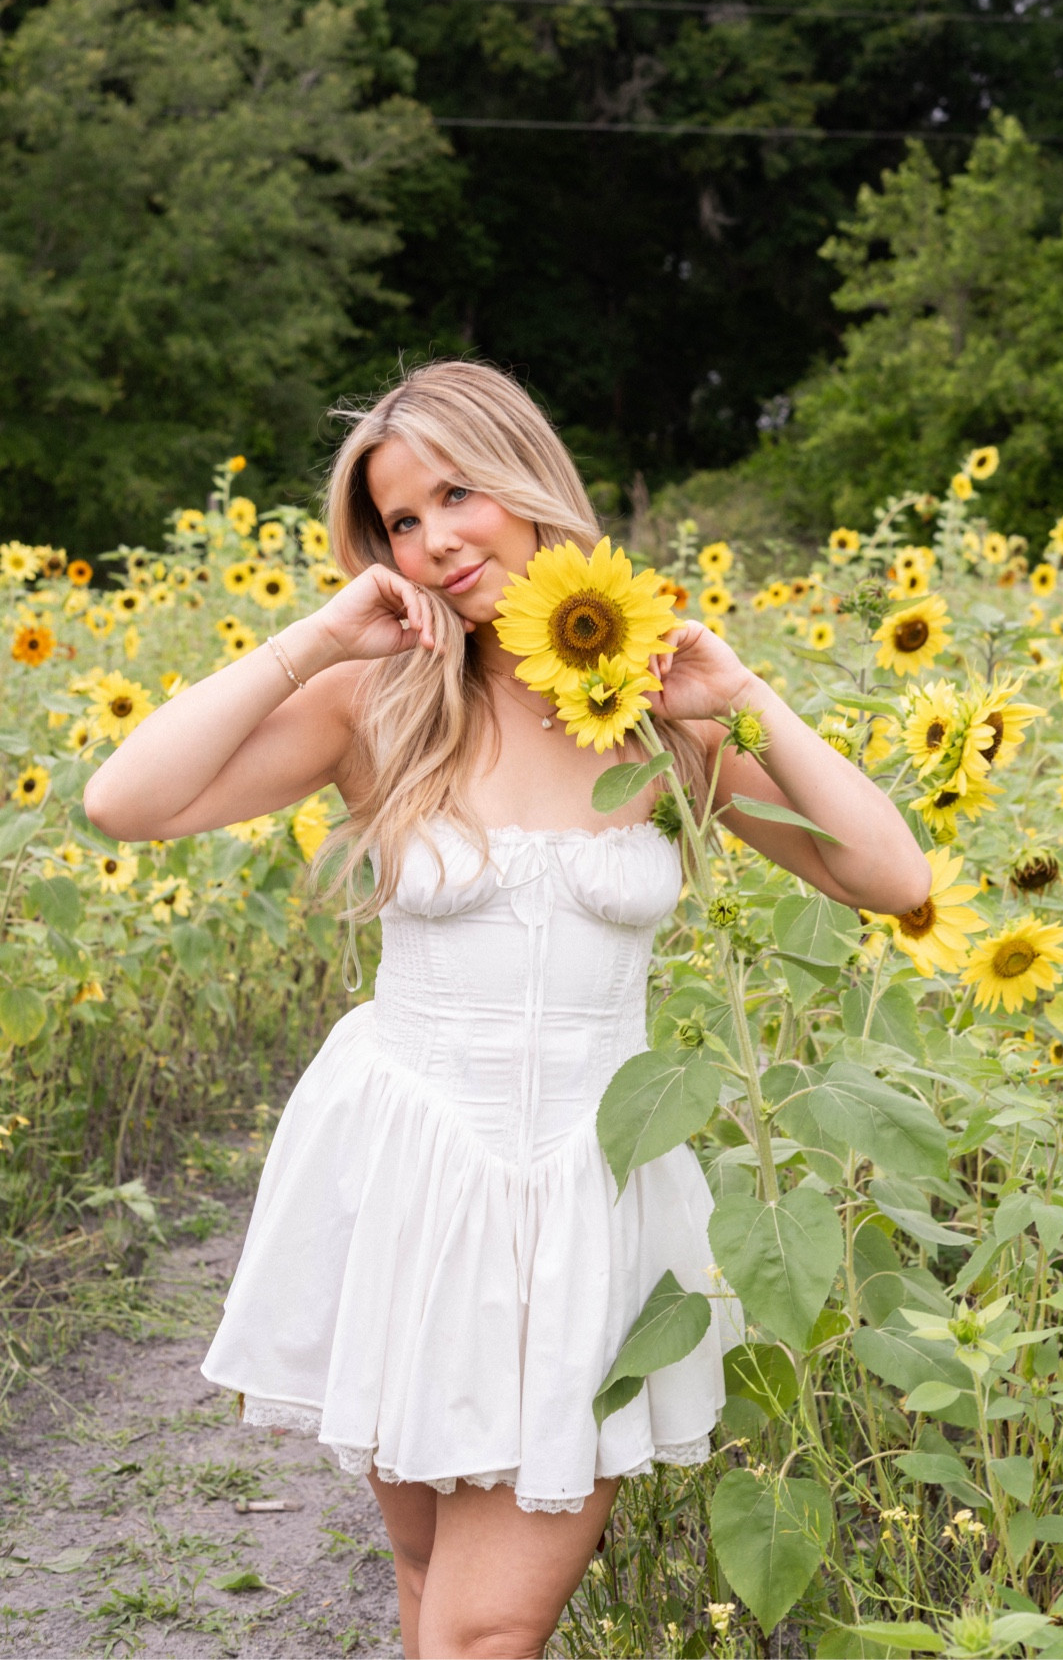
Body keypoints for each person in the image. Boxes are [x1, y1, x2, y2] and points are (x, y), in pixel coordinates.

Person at [83, 360, 931, 1659]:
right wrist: (321, 633)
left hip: (588, 1193)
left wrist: (740, 695)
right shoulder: (379, 707)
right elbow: (124, 803)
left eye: (453, 495)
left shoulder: (654, 714)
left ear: (530, 484)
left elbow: (890, 875)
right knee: (426, 1584)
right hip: (412, 1172)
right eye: (398, 523)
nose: (432, 541)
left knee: (484, 1631)